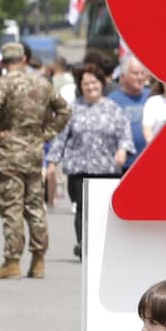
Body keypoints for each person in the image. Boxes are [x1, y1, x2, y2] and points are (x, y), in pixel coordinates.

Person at [0, 40, 70, 278]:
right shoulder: (42, 83)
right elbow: (64, 110)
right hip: (34, 150)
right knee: (35, 205)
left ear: (3, 62)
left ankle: (12, 261)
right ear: (24, 60)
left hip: (10, 152)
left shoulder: (2, 83)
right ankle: (38, 260)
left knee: (12, 207)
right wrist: (46, 134)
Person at [54, 63, 132, 262]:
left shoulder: (113, 108)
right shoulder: (73, 109)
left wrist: (122, 150)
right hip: (79, 168)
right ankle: (83, 245)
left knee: (104, 211)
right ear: (80, 87)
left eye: (94, 82)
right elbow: (61, 137)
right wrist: (51, 162)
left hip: (107, 169)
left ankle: (104, 246)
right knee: (83, 208)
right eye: (86, 84)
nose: (90, 87)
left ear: (101, 84)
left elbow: (124, 133)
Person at [109, 59, 155, 164]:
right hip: (124, 164)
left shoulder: (153, 97)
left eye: (142, 73)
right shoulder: (112, 101)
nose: (140, 77)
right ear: (123, 76)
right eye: (135, 73)